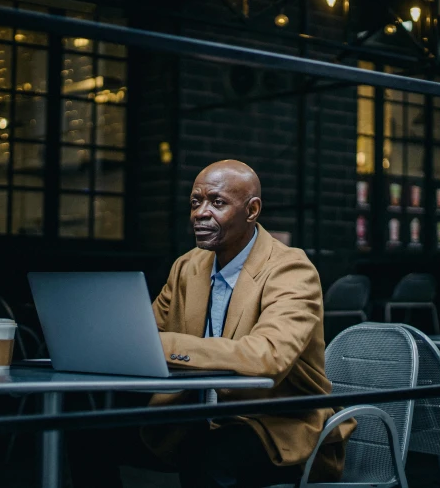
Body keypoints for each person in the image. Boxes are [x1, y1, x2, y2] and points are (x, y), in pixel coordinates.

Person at [68, 160, 354, 487]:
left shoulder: (290, 269)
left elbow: (268, 356)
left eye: (217, 203)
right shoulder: (187, 267)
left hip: (277, 426)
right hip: (195, 417)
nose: (200, 213)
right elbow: (144, 335)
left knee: (208, 456)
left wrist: (160, 346)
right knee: (87, 433)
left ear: (252, 210)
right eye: (195, 202)